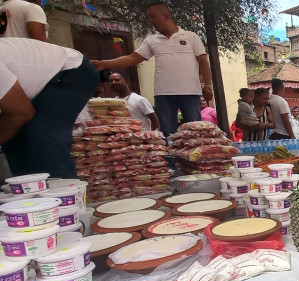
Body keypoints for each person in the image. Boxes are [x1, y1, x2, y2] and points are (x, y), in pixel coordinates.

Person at [91, 2, 213, 138]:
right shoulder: (152, 40)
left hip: (190, 93)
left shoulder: (191, 37)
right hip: (163, 95)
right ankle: (170, 153)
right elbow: (133, 58)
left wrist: (208, 86)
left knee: (195, 133)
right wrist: (103, 64)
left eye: (153, 16)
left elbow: (203, 62)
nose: (150, 20)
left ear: (165, 16)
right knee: (168, 134)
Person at [0, 38, 99, 177]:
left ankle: (63, 189)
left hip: (72, 71)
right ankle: (28, 188)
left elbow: (22, 113)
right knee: (13, 138)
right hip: (43, 85)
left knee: (41, 133)